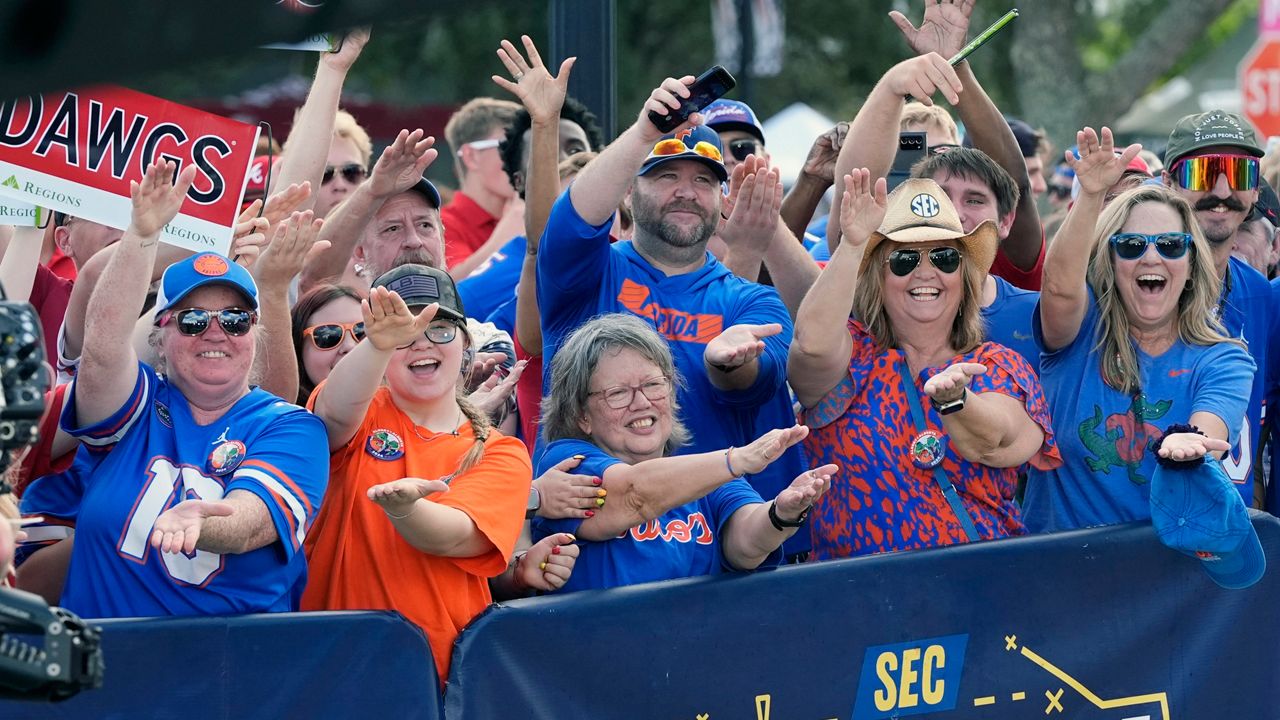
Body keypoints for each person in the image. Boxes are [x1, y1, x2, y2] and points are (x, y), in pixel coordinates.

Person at [535, 72, 811, 561]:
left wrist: (728, 364)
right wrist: (645, 132)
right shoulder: (588, 275)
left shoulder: (753, 303)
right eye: (666, 176)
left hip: (721, 550)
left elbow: (756, 383)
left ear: (723, 199)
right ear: (627, 192)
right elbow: (570, 221)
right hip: (593, 545)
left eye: (704, 180)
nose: (686, 191)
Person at [54, 160, 330, 617]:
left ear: (254, 334)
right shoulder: (137, 406)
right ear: (159, 339)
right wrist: (142, 235)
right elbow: (102, 347)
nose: (216, 332)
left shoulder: (291, 427)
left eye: (236, 319)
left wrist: (205, 522)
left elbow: (251, 522)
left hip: (227, 675)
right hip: (105, 672)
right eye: (194, 320)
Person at [302, 263, 565, 684]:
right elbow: (332, 416)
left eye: (440, 329)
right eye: (403, 334)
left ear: (465, 345)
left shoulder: (501, 452)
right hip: (331, 671)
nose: (421, 344)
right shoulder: (360, 409)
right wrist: (377, 345)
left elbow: (454, 536)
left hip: (438, 680)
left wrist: (406, 510)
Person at [791, 173, 1057, 558]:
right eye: (904, 259)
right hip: (854, 601)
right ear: (878, 278)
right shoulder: (852, 355)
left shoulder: (996, 363)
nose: (926, 271)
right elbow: (809, 346)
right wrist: (852, 245)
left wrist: (957, 401)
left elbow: (998, 440)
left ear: (964, 276)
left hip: (977, 596)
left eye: (945, 257)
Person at [1024, 127, 1254, 532]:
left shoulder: (1224, 357)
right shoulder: (1080, 331)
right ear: (1110, 262)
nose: (1152, 257)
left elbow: (1209, 430)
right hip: (1060, 576)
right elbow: (1058, 286)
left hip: (1163, 584)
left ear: (1190, 266)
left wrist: (1190, 444)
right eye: (1131, 246)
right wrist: (1092, 196)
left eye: (1169, 245)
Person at [533, 314, 834, 592]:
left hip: (692, 642)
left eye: (653, 385)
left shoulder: (703, 475)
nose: (641, 402)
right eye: (618, 393)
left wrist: (782, 512)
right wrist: (737, 460)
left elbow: (745, 546)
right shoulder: (567, 463)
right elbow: (634, 494)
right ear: (582, 415)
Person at [1161, 110, 1275, 503]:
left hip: (1229, 538)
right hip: (1141, 532)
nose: (1223, 191)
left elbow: (1260, 429)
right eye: (1203, 173)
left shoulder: (1265, 299)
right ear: (1168, 184)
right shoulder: (1131, 286)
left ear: (1257, 189)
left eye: (1241, 173)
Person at [440, 97, 524, 273]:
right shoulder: (441, 225)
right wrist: (508, 233)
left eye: (527, 147)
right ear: (471, 156)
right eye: (510, 147)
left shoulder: (525, 215)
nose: (524, 159)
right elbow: (455, 288)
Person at [291, 284, 365, 406]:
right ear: (298, 349)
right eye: (329, 335)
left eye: (362, 332)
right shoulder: (283, 420)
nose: (350, 346)